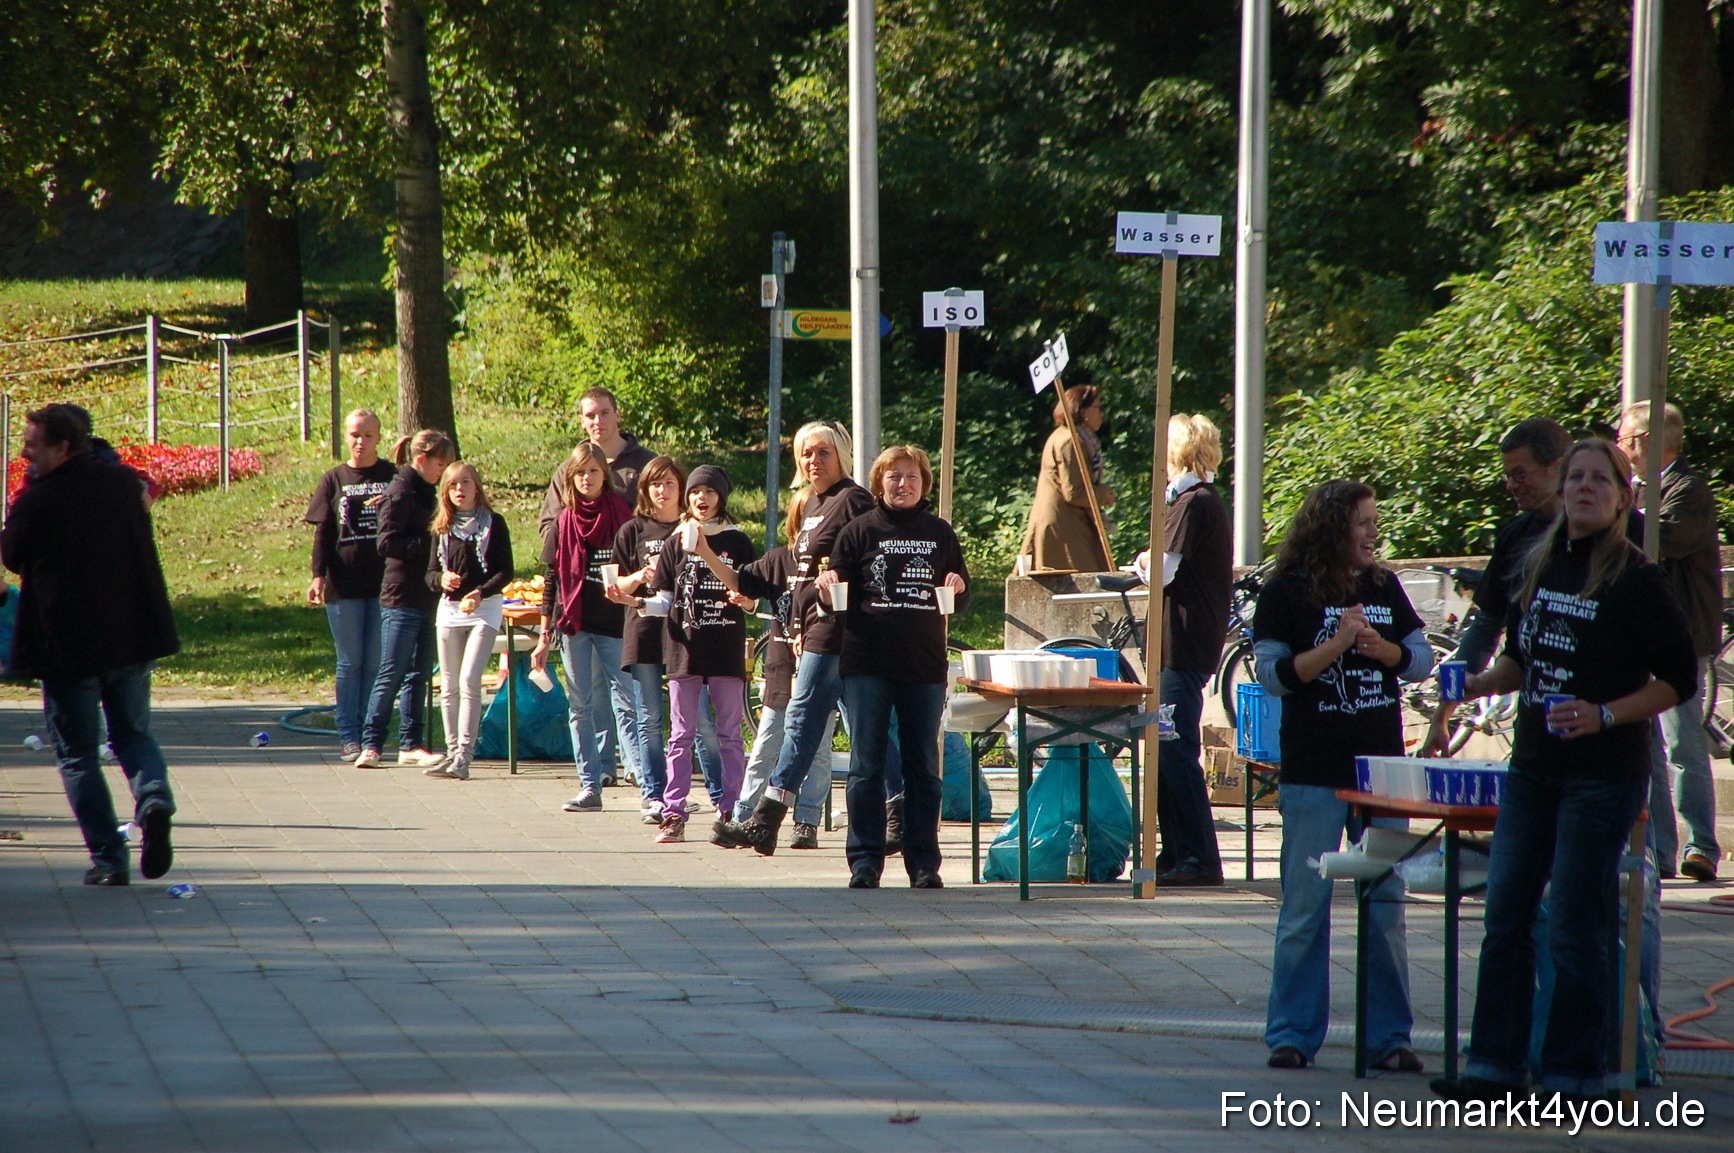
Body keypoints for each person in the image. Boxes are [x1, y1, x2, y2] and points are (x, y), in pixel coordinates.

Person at [1433, 440, 1697, 1104]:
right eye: (1575, 476)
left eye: (1598, 479)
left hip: (1602, 775)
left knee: (1577, 924)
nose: (1583, 487)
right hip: (1533, 768)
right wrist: (1477, 683)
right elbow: (1520, 661)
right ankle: (1493, 1068)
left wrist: (1605, 714)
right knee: (1505, 915)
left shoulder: (1636, 577)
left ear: (1622, 496)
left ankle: (1575, 1076)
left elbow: (1678, 679)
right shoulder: (1541, 564)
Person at [1253, 479, 1432, 1072]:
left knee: (1386, 904)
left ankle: (1389, 1038)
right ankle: (1292, 1034)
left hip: (1382, 771)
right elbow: (1273, 676)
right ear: (1332, 529)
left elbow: (1422, 659)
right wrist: (1337, 643)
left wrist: (1385, 651)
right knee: (1305, 906)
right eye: (1363, 522)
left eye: (1373, 521)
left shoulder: (1383, 585)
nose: (1373, 533)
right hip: (1314, 770)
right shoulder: (1285, 591)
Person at [2, 405, 180, 886]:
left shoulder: (38, 500)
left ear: (62, 447)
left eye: (33, 445)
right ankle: (154, 798)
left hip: (67, 646)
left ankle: (109, 858)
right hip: (130, 636)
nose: (25, 454)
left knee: (78, 755)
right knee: (133, 734)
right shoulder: (123, 484)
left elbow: (13, 556)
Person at [713, 421, 898, 855]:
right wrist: (797, 625)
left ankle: (766, 821)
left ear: (841, 455)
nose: (813, 460)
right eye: (806, 453)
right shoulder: (814, 502)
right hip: (816, 631)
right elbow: (802, 577)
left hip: (841, 631)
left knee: (801, 720)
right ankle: (901, 813)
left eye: (823, 452)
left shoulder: (852, 498)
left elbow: (873, 559)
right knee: (863, 729)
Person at [817, 445, 969, 889]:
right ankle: (865, 860)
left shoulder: (939, 532)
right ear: (879, 482)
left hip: (923, 666)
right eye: (894, 477)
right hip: (867, 663)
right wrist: (826, 585)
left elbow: (961, 595)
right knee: (867, 764)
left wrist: (958, 585)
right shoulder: (858, 531)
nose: (903, 484)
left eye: (912, 477)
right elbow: (832, 593)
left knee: (923, 766)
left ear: (924, 484)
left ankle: (923, 863)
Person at [610, 465, 755, 843]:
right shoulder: (676, 542)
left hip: (725, 650)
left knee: (729, 735)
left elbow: (752, 596)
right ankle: (673, 812)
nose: (701, 498)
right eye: (695, 492)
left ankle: (731, 809)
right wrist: (633, 602)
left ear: (721, 497)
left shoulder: (737, 540)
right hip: (683, 651)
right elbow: (664, 601)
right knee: (680, 735)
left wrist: (743, 597)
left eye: (709, 492)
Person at [1421, 418, 1574, 757]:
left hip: (1610, 733)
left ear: (1559, 466)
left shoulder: (1621, 535)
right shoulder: (1515, 537)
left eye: (1520, 474)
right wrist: (1442, 716)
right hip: (1535, 723)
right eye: (1507, 476)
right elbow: (1485, 629)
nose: (1510, 486)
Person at [1616, 401, 1722, 882]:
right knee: (1648, 746)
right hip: (1640, 634)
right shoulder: (1637, 491)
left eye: (1623, 438)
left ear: (1645, 441)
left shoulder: (1688, 489)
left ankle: (1701, 845)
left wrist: (1615, 508)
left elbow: (1661, 540)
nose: (1620, 446)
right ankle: (1658, 848)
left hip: (1682, 634)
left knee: (1681, 744)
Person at [539, 386, 659, 782]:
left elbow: (660, 521)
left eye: (604, 413)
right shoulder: (568, 468)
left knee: (630, 692)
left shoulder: (643, 464)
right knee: (587, 694)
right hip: (578, 602)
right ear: (581, 420)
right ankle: (601, 769)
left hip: (630, 598)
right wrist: (575, 537)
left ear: (617, 414)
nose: (598, 421)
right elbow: (549, 532)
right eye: (590, 415)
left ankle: (638, 768)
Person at [1132, 413, 1231, 886]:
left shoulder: (1192, 503)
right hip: (1183, 643)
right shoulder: (1198, 500)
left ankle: (1197, 857)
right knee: (1165, 746)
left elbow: (1163, 570)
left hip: (1183, 644)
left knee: (1173, 749)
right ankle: (1177, 851)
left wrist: (1141, 561)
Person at [722, 494, 837, 849]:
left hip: (820, 666)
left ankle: (807, 821)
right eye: (804, 520)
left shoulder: (831, 565)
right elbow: (746, 584)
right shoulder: (777, 560)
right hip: (781, 666)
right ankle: (744, 814)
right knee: (766, 745)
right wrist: (746, 598)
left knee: (818, 750)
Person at [531, 442, 638, 813]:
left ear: (604, 475)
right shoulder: (564, 521)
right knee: (581, 706)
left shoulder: (622, 513)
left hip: (615, 623)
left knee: (628, 702)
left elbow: (639, 567)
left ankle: (647, 787)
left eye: (593, 471)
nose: (587, 478)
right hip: (574, 625)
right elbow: (551, 581)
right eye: (580, 472)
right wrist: (544, 635)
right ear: (570, 479)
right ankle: (590, 786)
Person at [356, 430, 455, 770]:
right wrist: (429, 543)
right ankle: (371, 744)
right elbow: (386, 543)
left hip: (426, 595)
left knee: (419, 673)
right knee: (392, 670)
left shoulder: (426, 491)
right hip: (401, 595)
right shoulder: (400, 492)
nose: (443, 472)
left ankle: (411, 743)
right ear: (421, 460)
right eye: (440, 465)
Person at [305, 409, 397, 760]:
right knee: (349, 662)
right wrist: (318, 575)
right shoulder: (334, 479)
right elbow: (324, 532)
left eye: (368, 435)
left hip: (384, 584)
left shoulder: (392, 476)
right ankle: (348, 735)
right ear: (345, 436)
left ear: (379, 437)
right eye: (355, 435)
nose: (361, 442)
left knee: (375, 663)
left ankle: (370, 735)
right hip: (343, 585)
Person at [424, 461, 513, 781]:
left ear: (477, 488)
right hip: (450, 609)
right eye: (453, 484)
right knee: (448, 685)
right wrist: (441, 580)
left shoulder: (494, 523)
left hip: (484, 608)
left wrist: (480, 592)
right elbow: (430, 573)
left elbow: (505, 571)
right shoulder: (442, 527)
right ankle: (450, 752)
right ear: (445, 492)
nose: (459, 489)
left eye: (466, 483)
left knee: (469, 680)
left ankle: (464, 755)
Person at [1019, 384, 1114, 572]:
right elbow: (1073, 492)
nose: (1102, 414)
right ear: (1083, 411)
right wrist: (1105, 493)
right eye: (1098, 407)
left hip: (1067, 523)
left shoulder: (1074, 438)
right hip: (1064, 528)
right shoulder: (1070, 441)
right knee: (1085, 582)